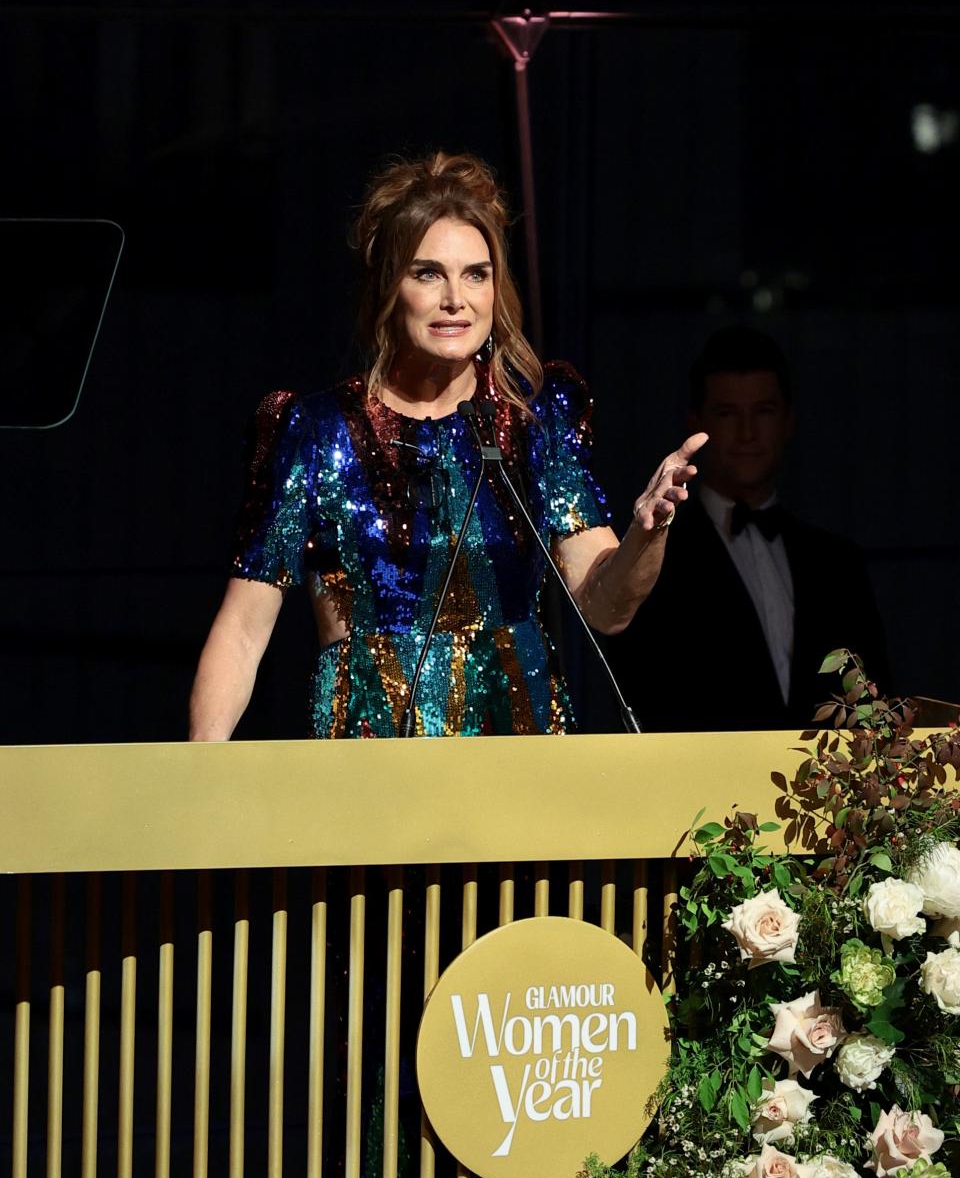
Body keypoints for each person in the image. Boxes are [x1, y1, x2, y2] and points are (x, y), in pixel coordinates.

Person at [189, 152, 705, 740]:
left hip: (519, 769)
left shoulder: (532, 420)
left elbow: (607, 609)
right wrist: (199, 778)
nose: (455, 298)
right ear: (390, 285)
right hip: (372, 769)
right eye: (428, 272)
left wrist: (648, 529)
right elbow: (244, 629)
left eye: (476, 274)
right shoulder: (318, 429)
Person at [605, 326, 888, 732]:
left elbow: (877, 705)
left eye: (763, 411)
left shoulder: (837, 562)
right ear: (696, 422)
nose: (747, 432)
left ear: (788, 419)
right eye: (727, 413)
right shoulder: (652, 555)